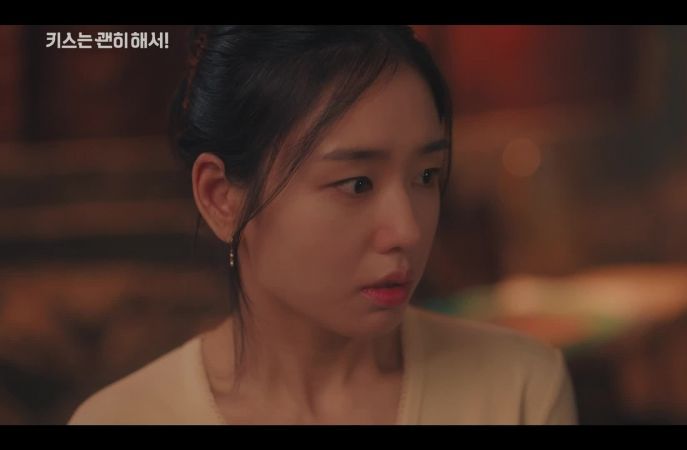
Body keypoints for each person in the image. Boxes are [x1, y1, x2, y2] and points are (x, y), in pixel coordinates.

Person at [67, 25, 578, 425]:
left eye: (426, 175)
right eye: (357, 184)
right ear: (221, 197)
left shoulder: (517, 388)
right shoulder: (123, 418)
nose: (408, 230)